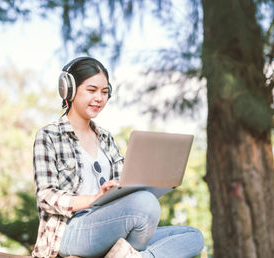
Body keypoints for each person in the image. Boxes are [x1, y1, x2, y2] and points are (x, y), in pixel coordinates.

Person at [32, 57, 204, 258]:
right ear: (68, 90)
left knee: (192, 237)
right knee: (146, 204)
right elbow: (45, 197)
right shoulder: (49, 136)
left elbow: (125, 183)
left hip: (109, 226)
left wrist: (155, 180)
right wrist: (93, 199)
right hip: (69, 231)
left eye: (105, 92)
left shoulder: (105, 138)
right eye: (92, 90)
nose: (99, 98)